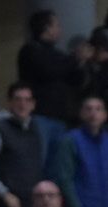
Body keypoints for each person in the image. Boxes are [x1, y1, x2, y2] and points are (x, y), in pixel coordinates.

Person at [18, 8, 82, 145]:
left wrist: (82, 64)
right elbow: (49, 71)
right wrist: (74, 59)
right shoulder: (30, 51)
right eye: (57, 25)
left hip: (61, 116)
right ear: (47, 28)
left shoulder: (57, 53)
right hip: (40, 114)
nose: (60, 29)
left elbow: (74, 79)